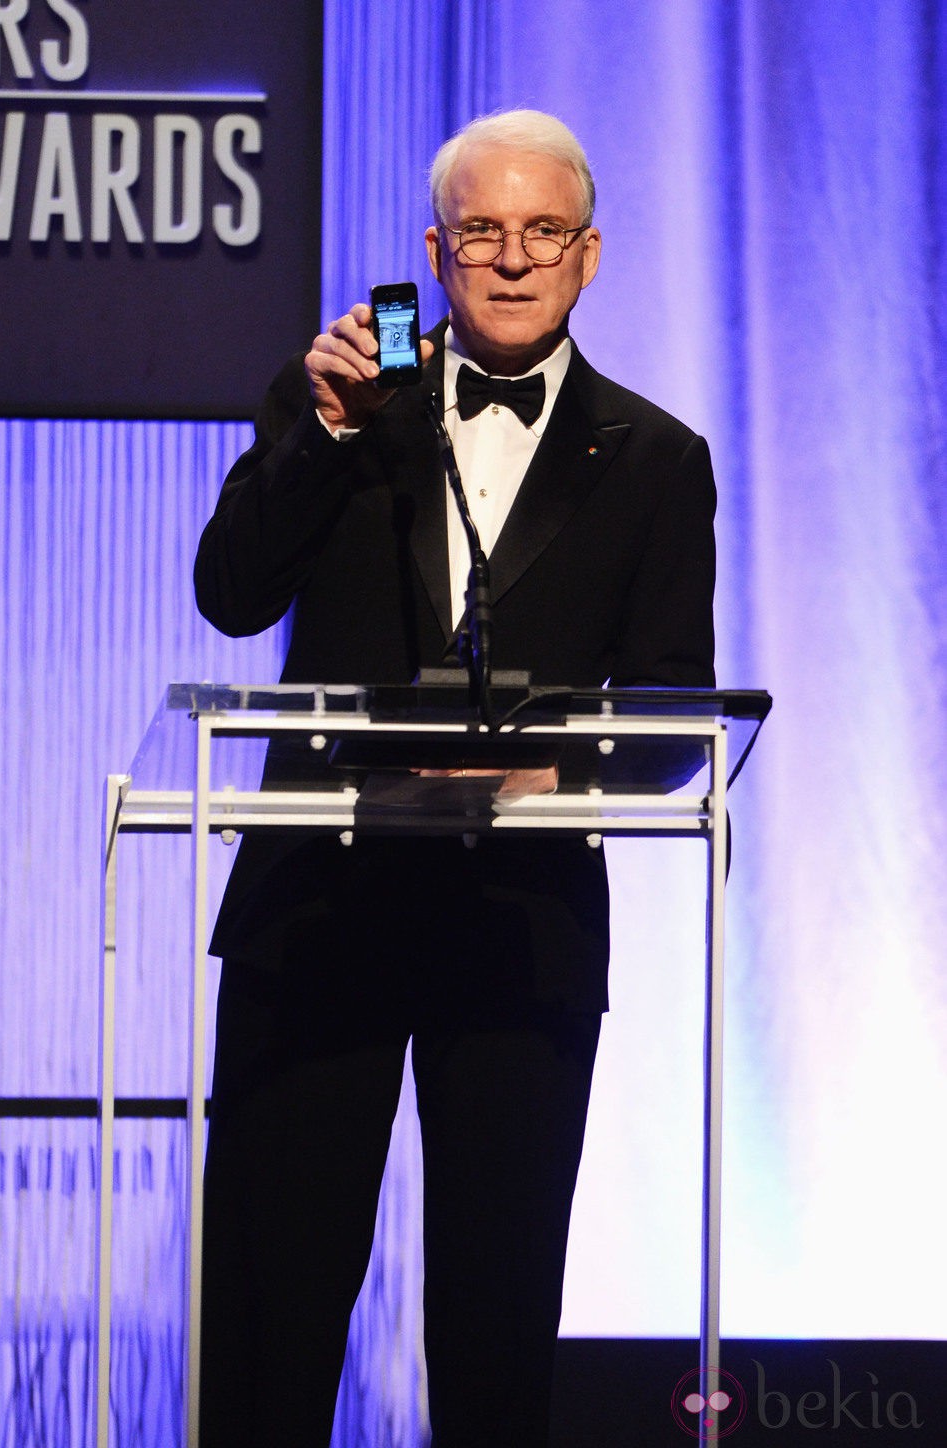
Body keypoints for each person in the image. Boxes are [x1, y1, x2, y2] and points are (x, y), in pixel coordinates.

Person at [193, 108, 715, 1448]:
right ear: (435, 250)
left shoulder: (657, 461)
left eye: (545, 232)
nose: (513, 258)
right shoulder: (344, 406)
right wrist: (315, 432)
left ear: (590, 255)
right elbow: (230, 596)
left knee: (494, 1336)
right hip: (320, 908)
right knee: (271, 1322)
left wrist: (552, 765)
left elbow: (674, 717)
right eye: (482, 230)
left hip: (520, 924)